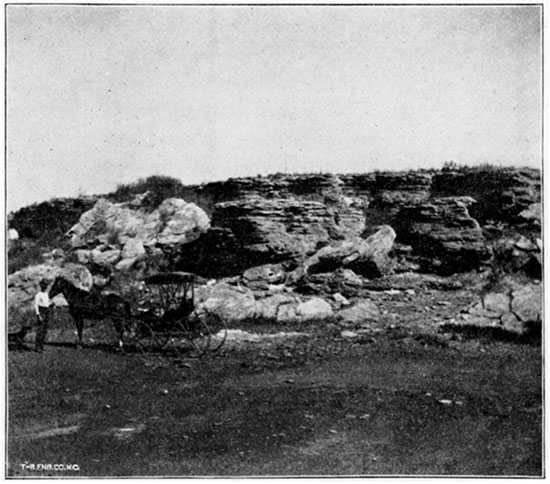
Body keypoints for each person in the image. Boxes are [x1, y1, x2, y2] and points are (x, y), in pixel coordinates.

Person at [34, 279, 52, 353]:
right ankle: (37, 347)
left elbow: (46, 303)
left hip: (46, 311)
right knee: (40, 330)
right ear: (41, 286)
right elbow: (36, 305)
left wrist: (51, 304)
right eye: (44, 285)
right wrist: (38, 315)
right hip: (41, 311)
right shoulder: (38, 295)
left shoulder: (46, 294)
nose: (45, 287)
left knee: (44, 330)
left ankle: (41, 346)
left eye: (46, 285)